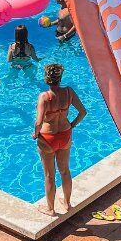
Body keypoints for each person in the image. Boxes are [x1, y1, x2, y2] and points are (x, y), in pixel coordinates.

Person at [32, 63, 86, 215]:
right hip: (65, 134)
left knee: (49, 175)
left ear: (46, 79)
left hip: (48, 138)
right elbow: (83, 112)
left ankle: (50, 209)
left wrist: (35, 133)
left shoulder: (44, 97)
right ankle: (67, 204)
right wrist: (71, 125)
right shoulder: (69, 92)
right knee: (65, 171)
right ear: (60, 78)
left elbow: (38, 122)